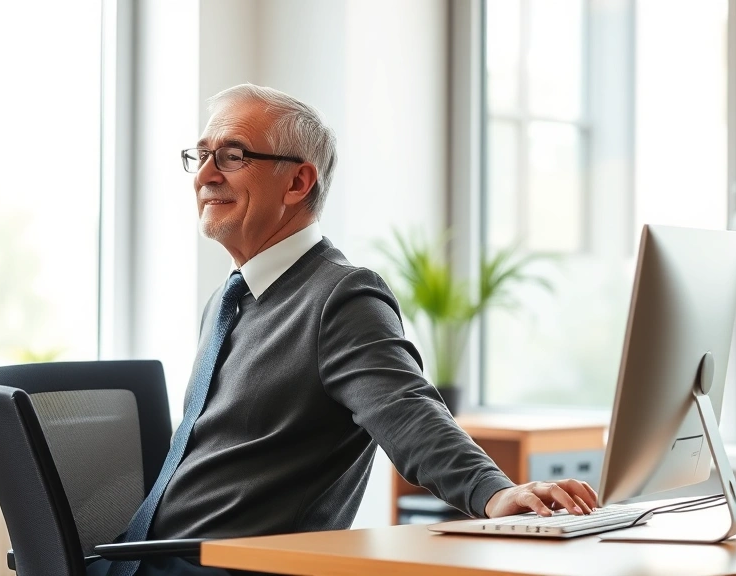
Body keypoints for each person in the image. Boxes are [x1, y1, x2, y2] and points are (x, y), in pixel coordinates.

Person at [106, 84, 598, 576]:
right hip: (139, 558)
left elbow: (409, 413)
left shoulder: (340, 297)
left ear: (298, 183)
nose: (206, 175)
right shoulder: (227, 300)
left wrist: (493, 492)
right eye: (202, 155)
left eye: (232, 156)